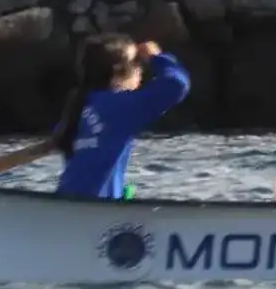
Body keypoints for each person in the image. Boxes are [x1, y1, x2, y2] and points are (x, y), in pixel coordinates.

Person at [53, 34, 192, 200]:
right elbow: (177, 84)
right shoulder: (121, 106)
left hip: (68, 200)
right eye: (137, 62)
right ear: (118, 71)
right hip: (95, 213)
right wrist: (156, 57)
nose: (141, 69)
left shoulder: (79, 105)